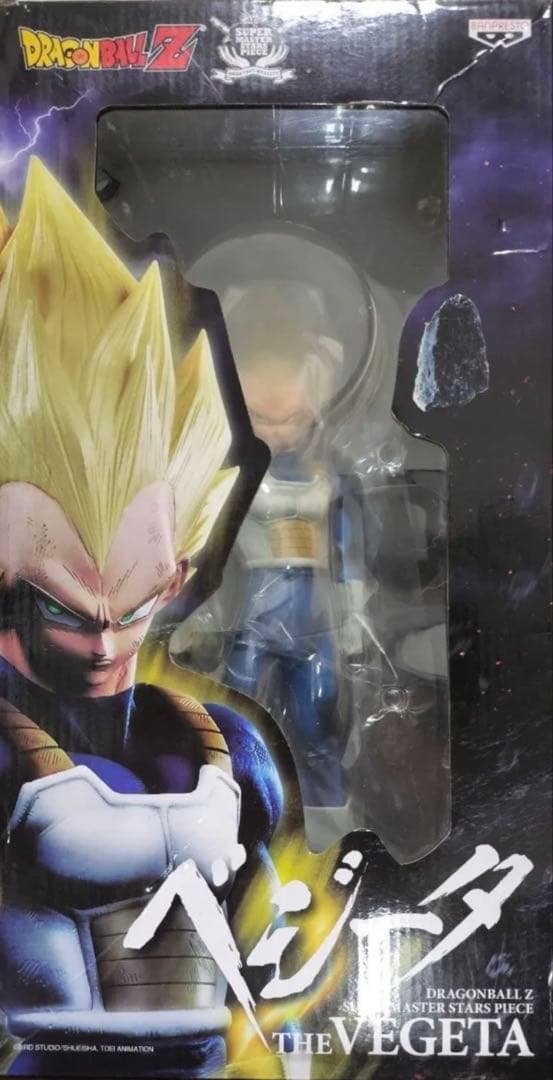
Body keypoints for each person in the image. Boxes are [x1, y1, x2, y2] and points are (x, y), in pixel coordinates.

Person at [0, 158, 282, 1079]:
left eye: (135, 606)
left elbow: (263, 930)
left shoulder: (227, 748)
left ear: (176, 576)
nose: (107, 643)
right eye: (69, 611)